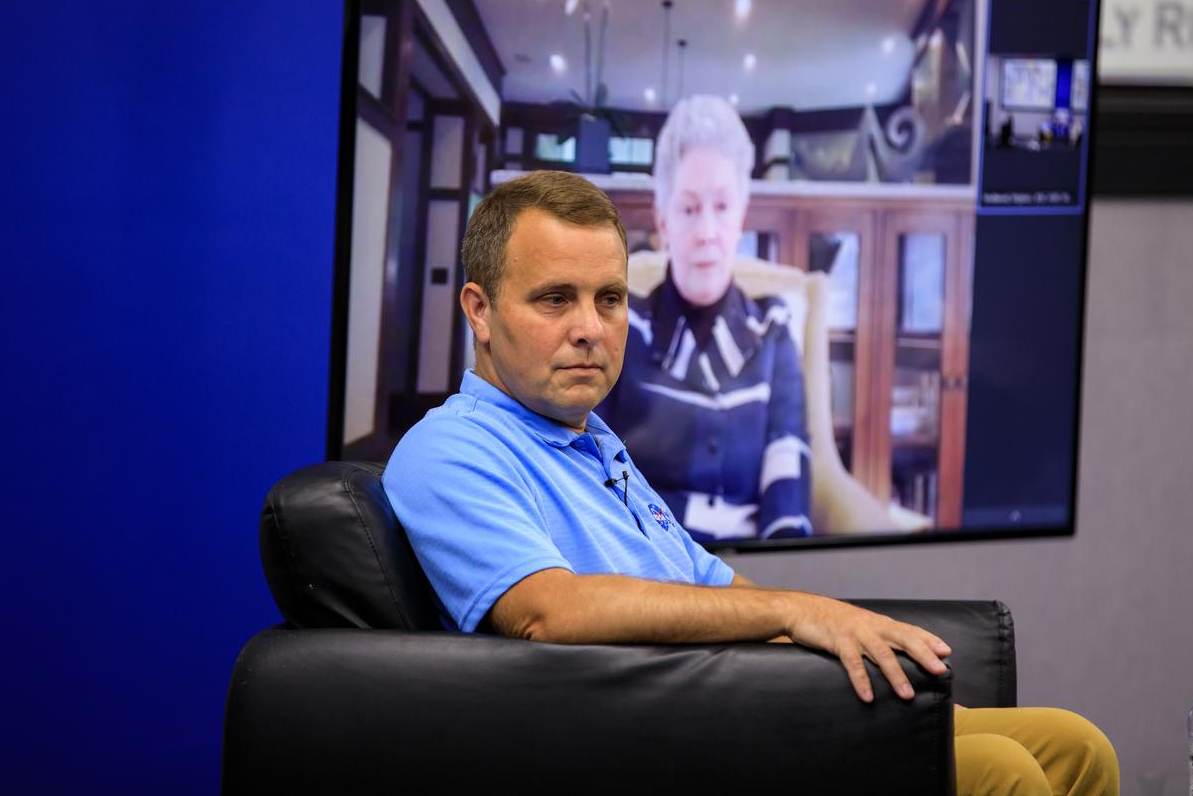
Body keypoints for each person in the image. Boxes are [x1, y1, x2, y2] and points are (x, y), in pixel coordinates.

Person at [382, 170, 1119, 794]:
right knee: (1001, 771)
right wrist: (792, 613)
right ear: (478, 309)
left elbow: (705, 581)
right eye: (555, 299)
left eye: (609, 299)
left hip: (744, 699)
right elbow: (547, 611)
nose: (591, 328)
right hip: (660, 741)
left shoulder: (592, 438)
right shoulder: (448, 447)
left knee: (1076, 745)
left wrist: (834, 627)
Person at [595, 94, 810, 542]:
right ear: (663, 221)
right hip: (639, 564)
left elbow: (786, 466)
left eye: (723, 207)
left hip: (749, 579)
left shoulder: (774, 330)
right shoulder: (622, 326)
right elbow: (590, 465)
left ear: (742, 218)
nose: (707, 232)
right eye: (689, 209)